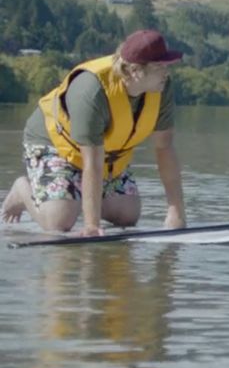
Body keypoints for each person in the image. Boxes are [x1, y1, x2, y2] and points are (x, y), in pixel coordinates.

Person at [2, 29, 188, 236]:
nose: (166, 72)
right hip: (54, 143)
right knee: (60, 221)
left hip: (104, 154)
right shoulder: (91, 90)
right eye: (159, 66)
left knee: (127, 216)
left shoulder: (161, 87)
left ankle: (75, 196)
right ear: (135, 71)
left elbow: (164, 147)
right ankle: (22, 191)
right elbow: (92, 162)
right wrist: (92, 225)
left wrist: (176, 212)